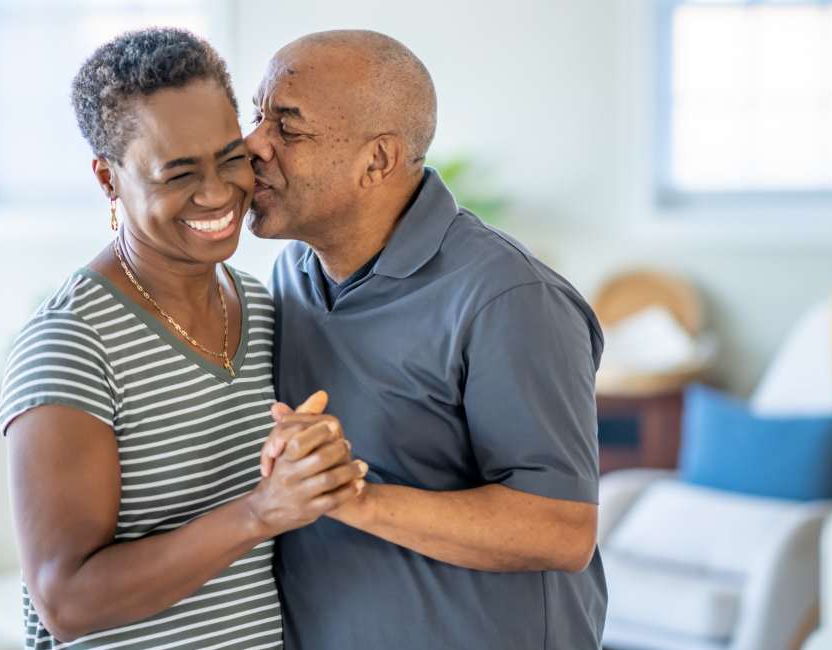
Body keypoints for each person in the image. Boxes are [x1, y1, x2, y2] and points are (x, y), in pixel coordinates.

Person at [0, 27, 364, 649]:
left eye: (229, 157)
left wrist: (308, 462)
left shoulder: (259, 304)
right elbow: (65, 600)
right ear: (109, 181)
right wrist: (259, 512)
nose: (218, 192)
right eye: (178, 173)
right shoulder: (70, 341)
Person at [250, 30, 608, 650]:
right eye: (256, 115)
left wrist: (350, 496)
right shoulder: (293, 274)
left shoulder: (511, 298)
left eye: (288, 127)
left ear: (379, 160)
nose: (252, 144)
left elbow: (559, 529)